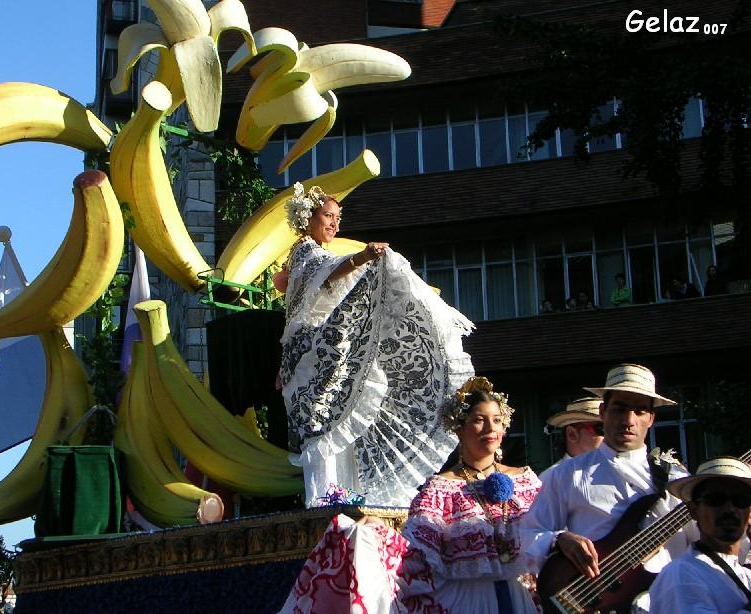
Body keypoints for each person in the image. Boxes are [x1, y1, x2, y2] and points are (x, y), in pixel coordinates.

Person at [279, 182, 475, 507]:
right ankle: (326, 505)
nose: (334, 224)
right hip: (311, 354)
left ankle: (342, 498)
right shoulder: (305, 252)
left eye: (338, 217)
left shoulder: (314, 255)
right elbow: (326, 273)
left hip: (321, 353)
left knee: (339, 418)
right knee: (323, 426)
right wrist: (363, 258)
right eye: (328, 215)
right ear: (308, 218)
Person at [279, 376, 543, 613]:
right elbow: (415, 552)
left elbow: (550, 530)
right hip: (467, 601)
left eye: (497, 420)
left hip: (521, 595)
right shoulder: (441, 489)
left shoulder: (525, 480)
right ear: (459, 429)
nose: (490, 429)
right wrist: (378, 530)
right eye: (479, 419)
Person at [520, 363, 696, 611]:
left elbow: (704, 541)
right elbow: (526, 536)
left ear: (652, 418)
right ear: (603, 412)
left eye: (640, 410)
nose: (628, 420)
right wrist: (559, 540)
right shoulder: (566, 474)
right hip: (592, 600)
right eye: (620, 409)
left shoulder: (677, 479)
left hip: (666, 601)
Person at [649, 457, 751, 613]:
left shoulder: (746, 574)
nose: (730, 509)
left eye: (741, 500)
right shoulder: (680, 573)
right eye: (716, 500)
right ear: (693, 510)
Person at [539, 396, 604, 483]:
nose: (610, 434)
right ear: (572, 434)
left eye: (612, 428)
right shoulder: (550, 479)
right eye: (601, 429)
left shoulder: (618, 470)